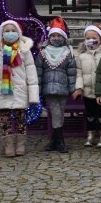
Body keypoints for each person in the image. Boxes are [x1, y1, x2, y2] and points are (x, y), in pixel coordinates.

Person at [0, 20, 39, 157]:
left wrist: (33, 94)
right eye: (7, 31)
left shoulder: (24, 51)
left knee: (21, 119)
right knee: (5, 120)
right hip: (3, 91)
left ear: (19, 33)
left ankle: (20, 144)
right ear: (2, 33)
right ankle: (8, 145)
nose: (10, 33)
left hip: (20, 91)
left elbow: (31, 73)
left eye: (13, 30)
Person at [36, 17, 78, 153]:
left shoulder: (68, 52)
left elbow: (71, 72)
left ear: (63, 36)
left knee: (59, 112)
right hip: (49, 88)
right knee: (55, 112)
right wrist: (38, 88)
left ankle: (54, 140)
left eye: (58, 35)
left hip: (63, 88)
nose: (55, 37)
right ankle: (60, 141)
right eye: (53, 35)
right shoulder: (43, 52)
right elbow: (39, 72)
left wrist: (73, 89)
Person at [74, 25, 101, 148]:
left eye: (94, 37)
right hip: (87, 91)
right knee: (90, 115)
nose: (91, 40)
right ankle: (91, 135)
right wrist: (79, 87)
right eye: (88, 38)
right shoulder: (81, 56)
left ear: (100, 39)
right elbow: (78, 73)